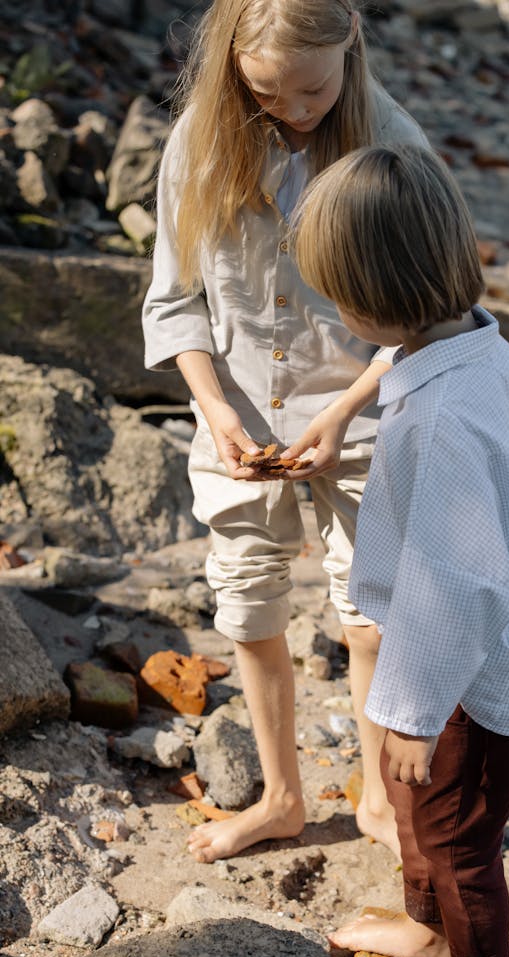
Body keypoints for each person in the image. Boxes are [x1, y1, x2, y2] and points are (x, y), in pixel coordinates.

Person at [291, 144, 509, 957]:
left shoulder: (449, 411)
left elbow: (466, 579)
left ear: (373, 303)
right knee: (415, 803)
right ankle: (427, 929)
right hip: (458, 648)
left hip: (472, 663)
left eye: (336, 296)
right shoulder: (481, 362)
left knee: (456, 827)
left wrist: (415, 710)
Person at [142, 0, 429, 863]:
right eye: (267, 92)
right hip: (240, 421)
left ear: (351, 44)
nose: (296, 110)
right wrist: (215, 406)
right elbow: (174, 300)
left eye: (311, 89)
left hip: (364, 413)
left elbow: (431, 318)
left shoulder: (394, 146)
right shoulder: (201, 140)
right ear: (233, 68)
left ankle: (378, 798)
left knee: (369, 616)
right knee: (247, 606)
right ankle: (282, 796)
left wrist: (344, 413)